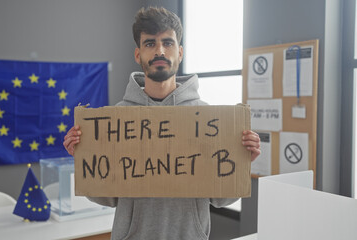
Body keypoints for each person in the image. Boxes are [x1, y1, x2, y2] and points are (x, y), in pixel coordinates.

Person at [64, 6, 261, 240]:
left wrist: (241, 160)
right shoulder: (115, 119)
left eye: (167, 43)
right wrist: (85, 156)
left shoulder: (210, 119)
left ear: (180, 52)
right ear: (138, 55)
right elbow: (107, 199)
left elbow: (221, 199)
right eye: (150, 44)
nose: (160, 51)